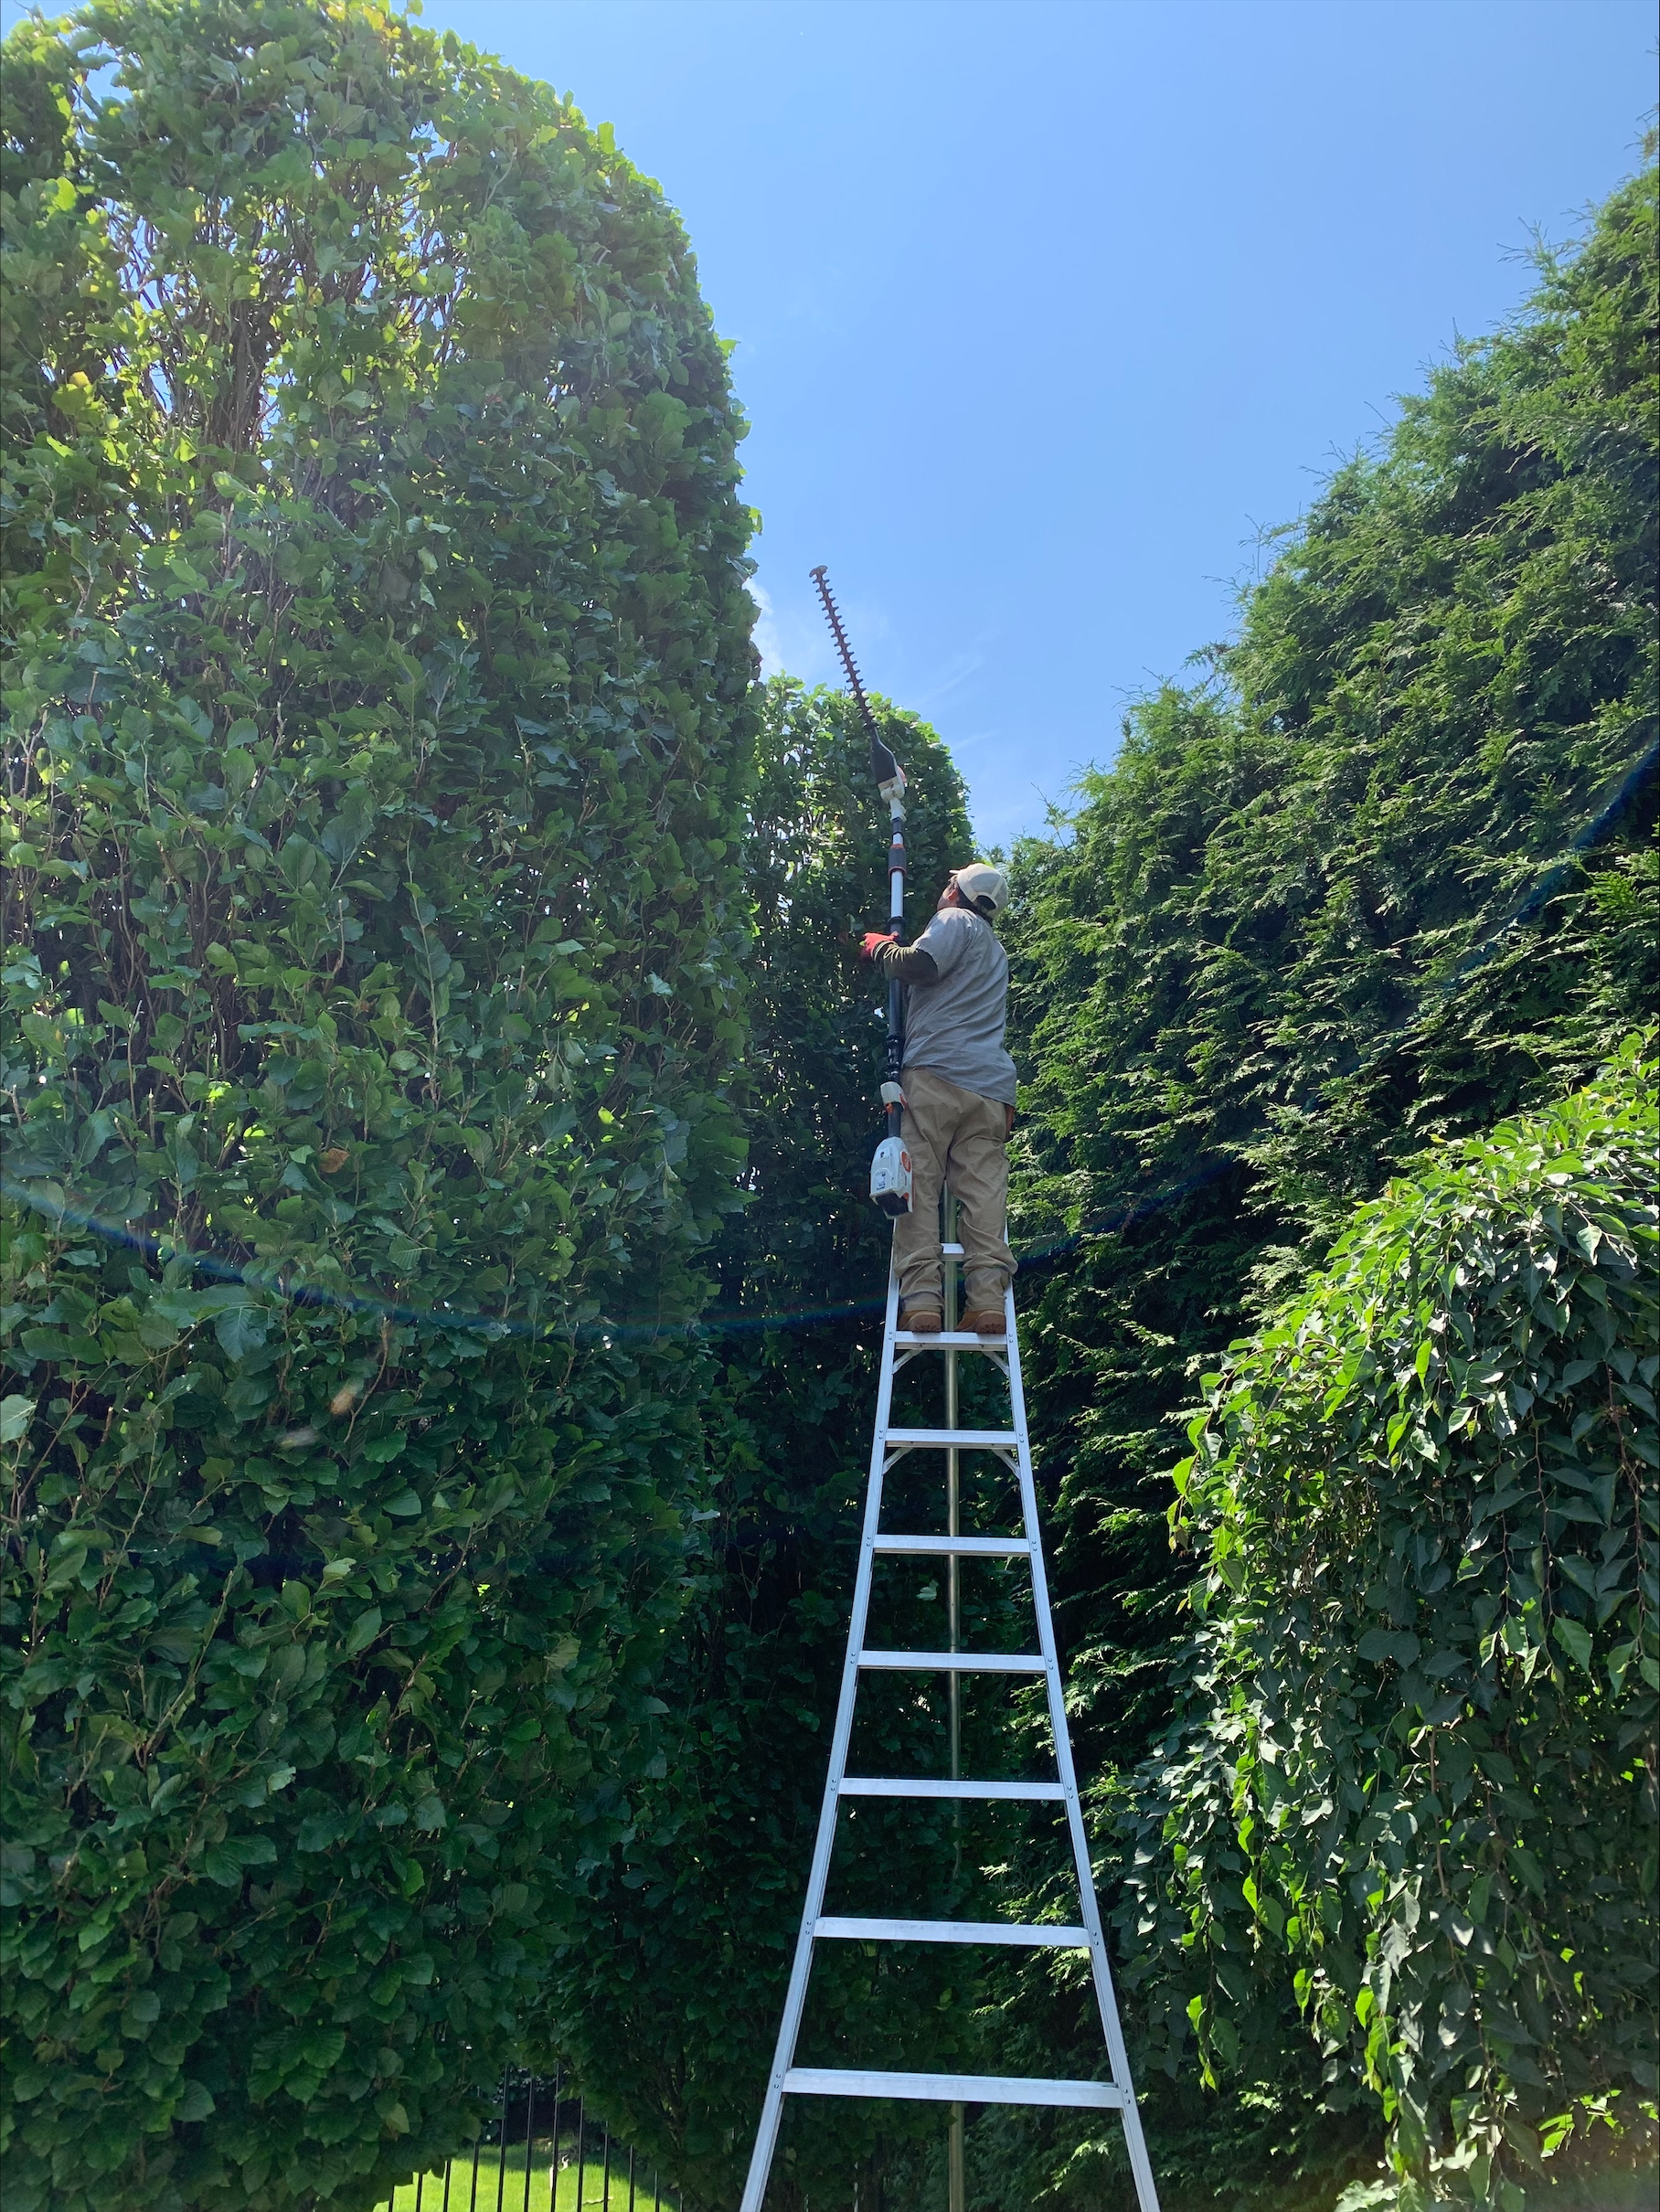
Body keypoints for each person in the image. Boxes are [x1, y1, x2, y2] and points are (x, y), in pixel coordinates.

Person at [859, 862, 1016, 1336]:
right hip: (990, 1091)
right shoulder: (997, 953)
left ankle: (924, 1300)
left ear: (956, 891)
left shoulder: (954, 921)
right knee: (984, 1194)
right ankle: (987, 1301)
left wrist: (882, 951)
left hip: (935, 1076)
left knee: (919, 1184)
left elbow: (921, 965)